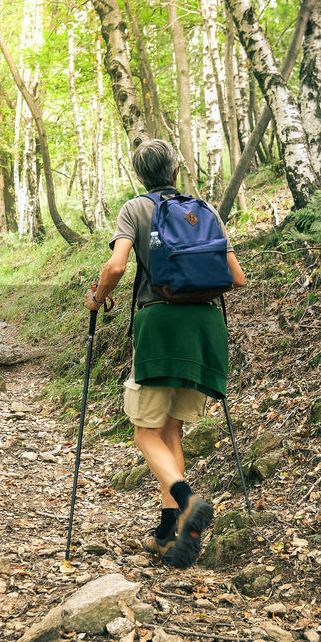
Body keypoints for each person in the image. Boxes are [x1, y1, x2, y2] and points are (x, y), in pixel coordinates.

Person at [84, 139, 246, 568]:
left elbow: (117, 267)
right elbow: (238, 278)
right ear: (175, 171)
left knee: (143, 431)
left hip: (160, 324)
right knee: (170, 432)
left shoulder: (135, 209)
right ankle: (168, 533)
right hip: (206, 329)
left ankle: (187, 500)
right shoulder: (205, 210)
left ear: (140, 174)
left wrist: (97, 298)